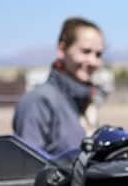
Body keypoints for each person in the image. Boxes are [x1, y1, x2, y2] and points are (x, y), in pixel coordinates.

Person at [13, 16, 106, 155]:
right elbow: (27, 167)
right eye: (85, 51)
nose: (93, 61)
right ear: (62, 50)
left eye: (98, 54)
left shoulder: (84, 102)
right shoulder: (39, 102)